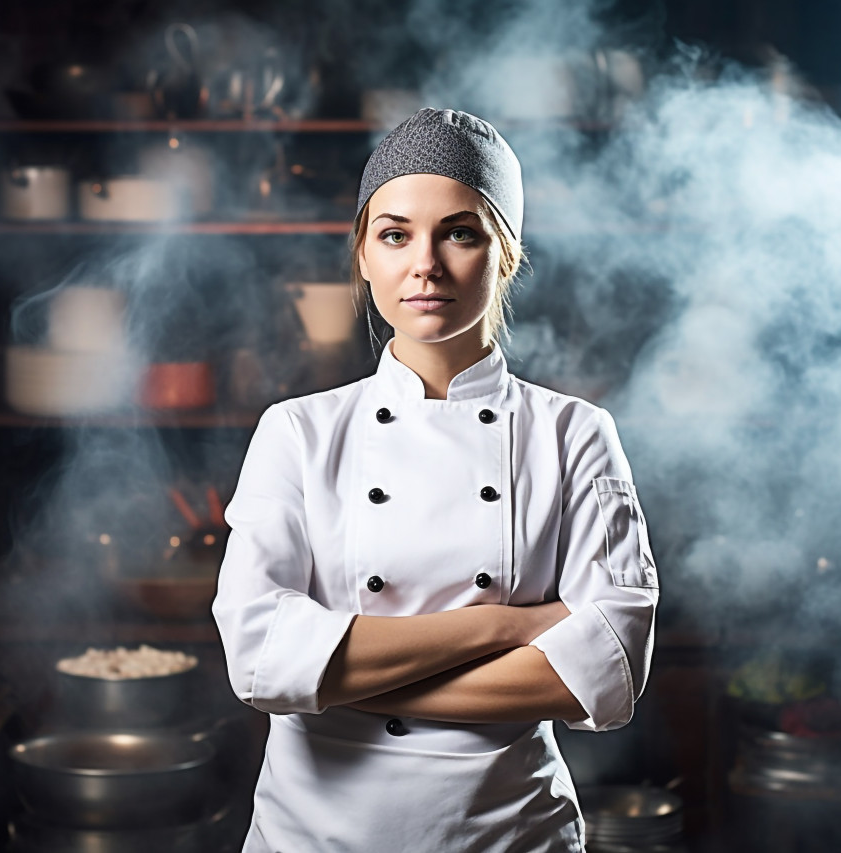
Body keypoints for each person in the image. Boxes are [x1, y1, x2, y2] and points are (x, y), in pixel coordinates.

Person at [212, 107, 659, 853]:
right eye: (394, 234)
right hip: (315, 836)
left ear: (505, 254)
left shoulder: (575, 433)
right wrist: (507, 626)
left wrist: (331, 676)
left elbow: (608, 671)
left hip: (508, 833)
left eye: (460, 231)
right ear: (362, 254)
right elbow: (257, 657)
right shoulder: (298, 430)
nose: (425, 263)